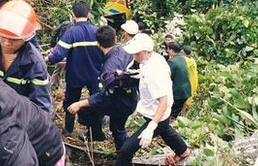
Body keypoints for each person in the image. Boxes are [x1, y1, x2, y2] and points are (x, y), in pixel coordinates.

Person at [115, 33, 190, 166]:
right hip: (158, 113)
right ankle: (183, 151)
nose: (134, 57)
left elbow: (163, 101)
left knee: (126, 150)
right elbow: (146, 72)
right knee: (166, 130)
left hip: (158, 115)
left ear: (146, 51)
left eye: (137, 54)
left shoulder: (153, 72)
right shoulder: (154, 58)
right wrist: (133, 74)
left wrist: (151, 127)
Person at [67, 25, 138, 149]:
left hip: (121, 103)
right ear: (115, 39)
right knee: (117, 128)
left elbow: (102, 96)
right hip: (129, 97)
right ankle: (119, 151)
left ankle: (121, 154)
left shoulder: (108, 69)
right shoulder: (124, 51)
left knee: (86, 108)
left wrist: (80, 104)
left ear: (98, 44)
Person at [46, 0, 103, 137]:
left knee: (70, 102)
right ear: (89, 14)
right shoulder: (97, 32)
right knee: (96, 100)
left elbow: (58, 54)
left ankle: (68, 129)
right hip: (94, 74)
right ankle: (95, 131)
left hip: (75, 74)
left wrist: (47, 59)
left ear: (73, 14)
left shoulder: (71, 33)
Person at [167, 42, 191, 119]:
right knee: (176, 114)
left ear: (171, 50)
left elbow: (167, 77)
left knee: (170, 115)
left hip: (177, 93)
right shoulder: (182, 58)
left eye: (168, 49)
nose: (167, 51)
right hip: (186, 91)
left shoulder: (172, 62)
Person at [48, 19, 73, 91]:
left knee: (58, 69)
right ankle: (67, 89)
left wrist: (53, 46)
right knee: (68, 70)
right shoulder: (74, 28)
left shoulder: (64, 24)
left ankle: (53, 87)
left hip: (59, 50)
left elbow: (54, 33)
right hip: (69, 51)